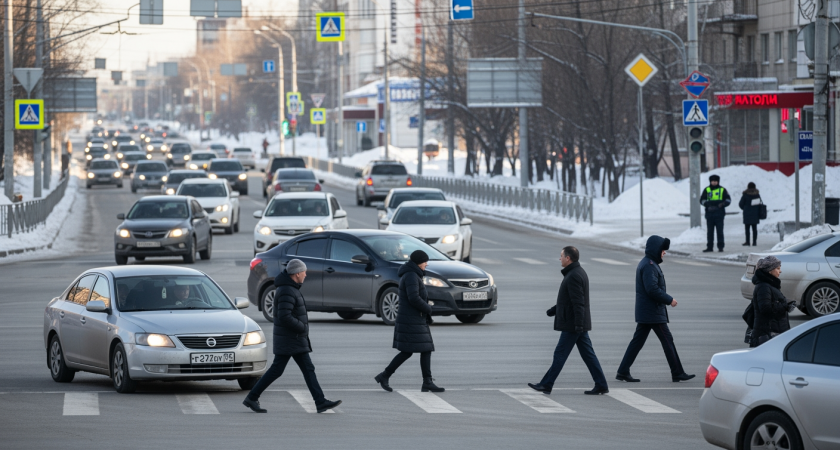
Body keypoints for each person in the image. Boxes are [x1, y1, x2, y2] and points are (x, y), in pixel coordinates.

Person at [243, 259, 342, 413]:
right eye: (304, 272)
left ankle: (320, 401)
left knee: (306, 369)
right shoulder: (287, 290)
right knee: (279, 370)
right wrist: (301, 327)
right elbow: (284, 316)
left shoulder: (290, 288)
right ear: (296, 274)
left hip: (293, 339)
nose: (306, 274)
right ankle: (252, 397)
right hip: (290, 339)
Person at [528, 246, 609, 395]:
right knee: (588, 355)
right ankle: (601, 384)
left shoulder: (573, 276)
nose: (559, 258)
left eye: (561, 256)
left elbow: (578, 303)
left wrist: (578, 324)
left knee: (560, 354)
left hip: (573, 324)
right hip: (577, 323)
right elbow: (570, 300)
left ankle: (546, 384)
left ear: (568, 258)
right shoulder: (576, 272)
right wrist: (555, 310)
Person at [616, 235, 695, 383]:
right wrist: (669, 299)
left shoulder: (648, 263)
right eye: (662, 250)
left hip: (648, 311)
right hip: (652, 311)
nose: (664, 252)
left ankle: (622, 371)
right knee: (667, 340)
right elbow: (652, 289)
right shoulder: (649, 266)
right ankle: (677, 372)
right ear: (655, 250)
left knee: (637, 342)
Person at [374, 250, 444, 393]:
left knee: (418, 350)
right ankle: (387, 376)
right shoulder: (411, 275)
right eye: (425, 261)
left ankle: (425, 381)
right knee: (416, 350)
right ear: (418, 262)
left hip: (414, 319)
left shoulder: (413, 274)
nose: (426, 264)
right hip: (411, 319)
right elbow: (414, 298)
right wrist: (428, 308)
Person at [750, 256, 795, 347]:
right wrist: (784, 305)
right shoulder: (764, 287)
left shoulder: (771, 285)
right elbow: (765, 308)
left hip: (773, 333)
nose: (780, 271)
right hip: (767, 335)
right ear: (770, 270)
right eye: (778, 268)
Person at [700, 174, 731, 252]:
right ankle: (709, 247)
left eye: (715, 181)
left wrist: (722, 204)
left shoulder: (722, 190)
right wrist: (707, 205)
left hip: (719, 214)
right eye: (712, 181)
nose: (714, 182)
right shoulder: (706, 190)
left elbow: (728, 200)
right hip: (710, 214)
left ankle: (720, 247)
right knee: (710, 232)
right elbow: (702, 200)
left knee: (719, 231)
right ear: (710, 181)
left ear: (718, 181)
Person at [738, 182, 762, 247]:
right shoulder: (757, 194)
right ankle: (754, 242)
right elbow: (760, 203)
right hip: (755, 214)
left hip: (747, 214)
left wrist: (745, 208)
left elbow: (740, 204)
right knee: (754, 229)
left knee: (747, 229)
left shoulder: (745, 195)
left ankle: (747, 242)